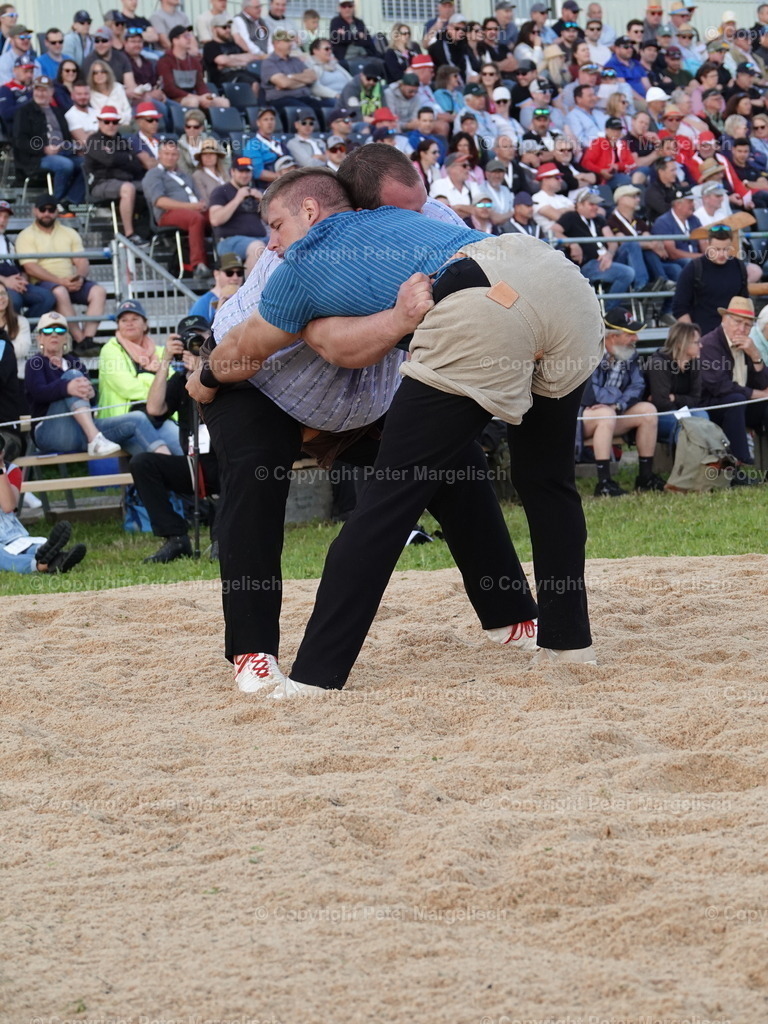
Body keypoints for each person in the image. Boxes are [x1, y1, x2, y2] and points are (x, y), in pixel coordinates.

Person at [197, 163, 604, 696]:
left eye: (274, 225)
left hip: (442, 333)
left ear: (311, 211)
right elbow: (283, 348)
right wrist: (206, 378)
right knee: (547, 481)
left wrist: (400, 320)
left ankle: (318, 676)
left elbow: (334, 347)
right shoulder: (373, 234)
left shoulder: (319, 254)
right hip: (558, 282)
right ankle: (569, 642)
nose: (268, 243)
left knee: (393, 500)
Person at [132, 315, 221, 563]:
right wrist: (165, 362)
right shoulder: (179, 380)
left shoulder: (225, 372)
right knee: (142, 463)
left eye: (199, 337)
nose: (193, 344)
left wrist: (204, 367)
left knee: (234, 468)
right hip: (193, 464)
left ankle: (222, 540)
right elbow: (154, 409)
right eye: (188, 339)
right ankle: (175, 538)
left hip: (226, 460)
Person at [25, 310, 173, 457]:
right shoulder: (35, 363)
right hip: (51, 432)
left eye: (60, 330)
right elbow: (38, 393)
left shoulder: (75, 362)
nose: (54, 334)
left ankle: (165, 460)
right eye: (47, 331)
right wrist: (67, 387)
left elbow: (92, 401)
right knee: (73, 376)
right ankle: (95, 438)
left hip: (82, 432)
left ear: (66, 338)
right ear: (39, 338)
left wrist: (91, 394)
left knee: (138, 418)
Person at [580, 306, 665, 496]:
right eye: (630, 334)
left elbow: (637, 386)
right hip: (581, 419)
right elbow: (589, 395)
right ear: (612, 337)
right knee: (605, 414)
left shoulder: (630, 354)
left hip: (613, 411)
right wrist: (615, 396)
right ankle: (604, 483)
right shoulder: (590, 353)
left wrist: (618, 404)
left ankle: (645, 478)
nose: (636, 339)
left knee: (648, 411)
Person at [15, 196, 106, 356]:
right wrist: (60, 281)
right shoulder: (26, 235)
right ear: (35, 211)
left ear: (57, 211)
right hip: (43, 283)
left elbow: (81, 260)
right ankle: (79, 340)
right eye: (43, 209)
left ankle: (88, 339)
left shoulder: (69, 232)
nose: (47, 213)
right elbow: (30, 268)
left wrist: (80, 277)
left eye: (51, 209)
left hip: (69, 280)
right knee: (59, 291)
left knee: (99, 292)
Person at [96, 300, 183, 454]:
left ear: (145, 324)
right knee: (158, 459)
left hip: (159, 418)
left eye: (135, 319)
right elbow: (127, 386)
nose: (129, 323)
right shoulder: (110, 349)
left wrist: (148, 382)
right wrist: (157, 389)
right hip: (125, 422)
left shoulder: (160, 350)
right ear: (118, 325)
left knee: (185, 448)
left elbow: (171, 386)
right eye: (124, 320)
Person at [699, 295, 768, 466]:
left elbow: (763, 383)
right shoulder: (710, 344)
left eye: (747, 325)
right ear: (724, 320)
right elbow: (720, 387)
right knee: (736, 400)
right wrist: (758, 394)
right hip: (711, 406)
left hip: (741, 404)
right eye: (737, 322)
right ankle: (739, 462)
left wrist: (756, 356)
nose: (742, 329)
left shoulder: (748, 345)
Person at [143, 137, 213, 283]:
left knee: (217, 216)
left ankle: (224, 261)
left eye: (173, 154)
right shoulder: (154, 174)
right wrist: (191, 207)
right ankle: (198, 265)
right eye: (166, 154)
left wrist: (203, 205)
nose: (170, 157)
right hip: (168, 214)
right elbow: (160, 201)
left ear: (178, 156)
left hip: (194, 211)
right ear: (159, 155)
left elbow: (199, 197)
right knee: (195, 218)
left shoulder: (185, 175)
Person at [13, 75, 85, 208]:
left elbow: (66, 137)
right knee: (65, 165)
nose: (41, 94)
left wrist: (74, 149)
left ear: (52, 92)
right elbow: (19, 141)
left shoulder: (58, 112)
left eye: (44, 90)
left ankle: (70, 201)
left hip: (63, 151)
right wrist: (44, 149)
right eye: (38, 90)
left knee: (87, 163)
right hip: (37, 158)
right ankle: (55, 203)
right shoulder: (24, 111)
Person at [559, 188, 635, 307]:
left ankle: (642, 285)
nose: (596, 207)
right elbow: (554, 232)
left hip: (606, 260)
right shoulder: (570, 217)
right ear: (580, 204)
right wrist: (572, 243)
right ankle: (608, 310)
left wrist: (609, 255)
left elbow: (612, 242)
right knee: (627, 273)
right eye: (591, 204)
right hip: (588, 264)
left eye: (597, 204)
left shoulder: (599, 219)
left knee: (631, 245)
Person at [84, 105, 145, 242]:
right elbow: (109, 160)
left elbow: (136, 166)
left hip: (124, 180)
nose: (111, 125)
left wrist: (118, 157)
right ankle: (129, 234)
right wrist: (126, 158)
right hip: (101, 183)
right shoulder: (93, 140)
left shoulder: (123, 141)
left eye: (114, 122)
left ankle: (148, 231)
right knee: (128, 188)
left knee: (151, 186)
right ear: (100, 122)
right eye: (107, 122)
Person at [672, 226, 749, 335]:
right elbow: (679, 308)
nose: (721, 254)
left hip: (732, 335)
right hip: (702, 335)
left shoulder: (739, 267)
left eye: (726, 249)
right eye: (717, 249)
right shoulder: (694, 268)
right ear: (708, 244)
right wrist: (693, 336)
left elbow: (744, 303)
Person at [645, 320, 709, 443]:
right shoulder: (659, 364)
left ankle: (703, 455)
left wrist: (675, 398)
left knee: (703, 417)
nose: (701, 346)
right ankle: (686, 455)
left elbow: (696, 399)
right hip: (658, 415)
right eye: (696, 342)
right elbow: (661, 404)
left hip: (681, 410)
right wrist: (683, 403)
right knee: (685, 424)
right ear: (680, 344)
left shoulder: (694, 363)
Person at [208, 155, 267, 270]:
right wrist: (237, 199)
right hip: (229, 241)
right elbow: (215, 220)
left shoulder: (256, 192)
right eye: (241, 171)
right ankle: (251, 282)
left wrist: (262, 201)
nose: (245, 175)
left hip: (260, 238)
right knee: (257, 248)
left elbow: (269, 220)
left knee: (287, 246)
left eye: (247, 172)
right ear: (232, 172)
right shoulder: (221, 191)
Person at [0, 199, 55, 320]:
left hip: (15, 284)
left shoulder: (8, 242)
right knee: (14, 300)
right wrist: (5, 281)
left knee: (47, 298)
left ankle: (22, 328)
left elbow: (21, 267)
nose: (2, 220)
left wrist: (23, 280)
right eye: (0, 216)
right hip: (3, 285)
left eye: (6, 217)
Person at [158, 25, 230, 111]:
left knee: (223, 102)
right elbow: (169, 89)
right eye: (185, 36)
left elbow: (200, 85)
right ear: (175, 40)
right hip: (175, 98)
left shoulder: (194, 61)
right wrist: (196, 97)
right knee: (193, 102)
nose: (189, 39)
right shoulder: (165, 61)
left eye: (189, 36)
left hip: (194, 95)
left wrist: (207, 96)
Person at [260, 28, 323, 119]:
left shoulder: (296, 60)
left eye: (291, 41)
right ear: (276, 43)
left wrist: (290, 77)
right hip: (282, 100)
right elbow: (284, 83)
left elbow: (312, 77)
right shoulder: (269, 63)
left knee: (329, 107)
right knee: (307, 111)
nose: (291, 44)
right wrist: (305, 81)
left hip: (304, 97)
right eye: (287, 41)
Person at [189, 253, 244, 322]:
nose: (235, 277)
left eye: (239, 273)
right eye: (229, 273)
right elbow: (196, 328)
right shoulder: (203, 304)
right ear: (216, 274)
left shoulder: (245, 299)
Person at [86, 58, 131, 125]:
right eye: (95, 73)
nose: (99, 75)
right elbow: (97, 116)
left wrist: (120, 121)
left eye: (102, 72)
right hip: (105, 126)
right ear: (92, 76)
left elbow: (127, 110)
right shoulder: (90, 94)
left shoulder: (118, 87)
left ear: (108, 73)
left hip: (124, 125)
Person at [306, 37, 352, 101]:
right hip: (331, 98)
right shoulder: (311, 66)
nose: (330, 51)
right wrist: (336, 95)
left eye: (331, 49)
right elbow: (314, 87)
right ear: (315, 51)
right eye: (326, 49)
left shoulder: (335, 64)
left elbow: (351, 80)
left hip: (349, 96)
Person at [192, 137, 229, 206]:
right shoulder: (197, 175)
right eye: (205, 154)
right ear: (201, 157)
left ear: (217, 156)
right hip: (213, 209)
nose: (208, 157)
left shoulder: (224, 172)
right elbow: (204, 200)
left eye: (211, 153)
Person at [0, 279, 30, 364]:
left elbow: (22, 349)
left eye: (3, 293)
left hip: (16, 370)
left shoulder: (21, 321)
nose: (1, 297)